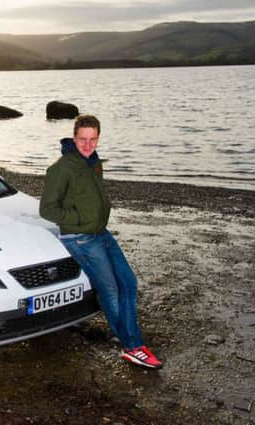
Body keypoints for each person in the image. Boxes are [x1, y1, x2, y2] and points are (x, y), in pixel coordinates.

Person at [39, 114, 162, 369]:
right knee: (110, 290)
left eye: (92, 139)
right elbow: (47, 209)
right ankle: (132, 346)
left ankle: (127, 336)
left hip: (100, 233)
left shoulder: (93, 163)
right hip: (80, 238)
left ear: (97, 138)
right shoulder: (61, 168)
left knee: (128, 282)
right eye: (82, 139)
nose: (87, 144)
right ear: (74, 138)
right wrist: (79, 218)